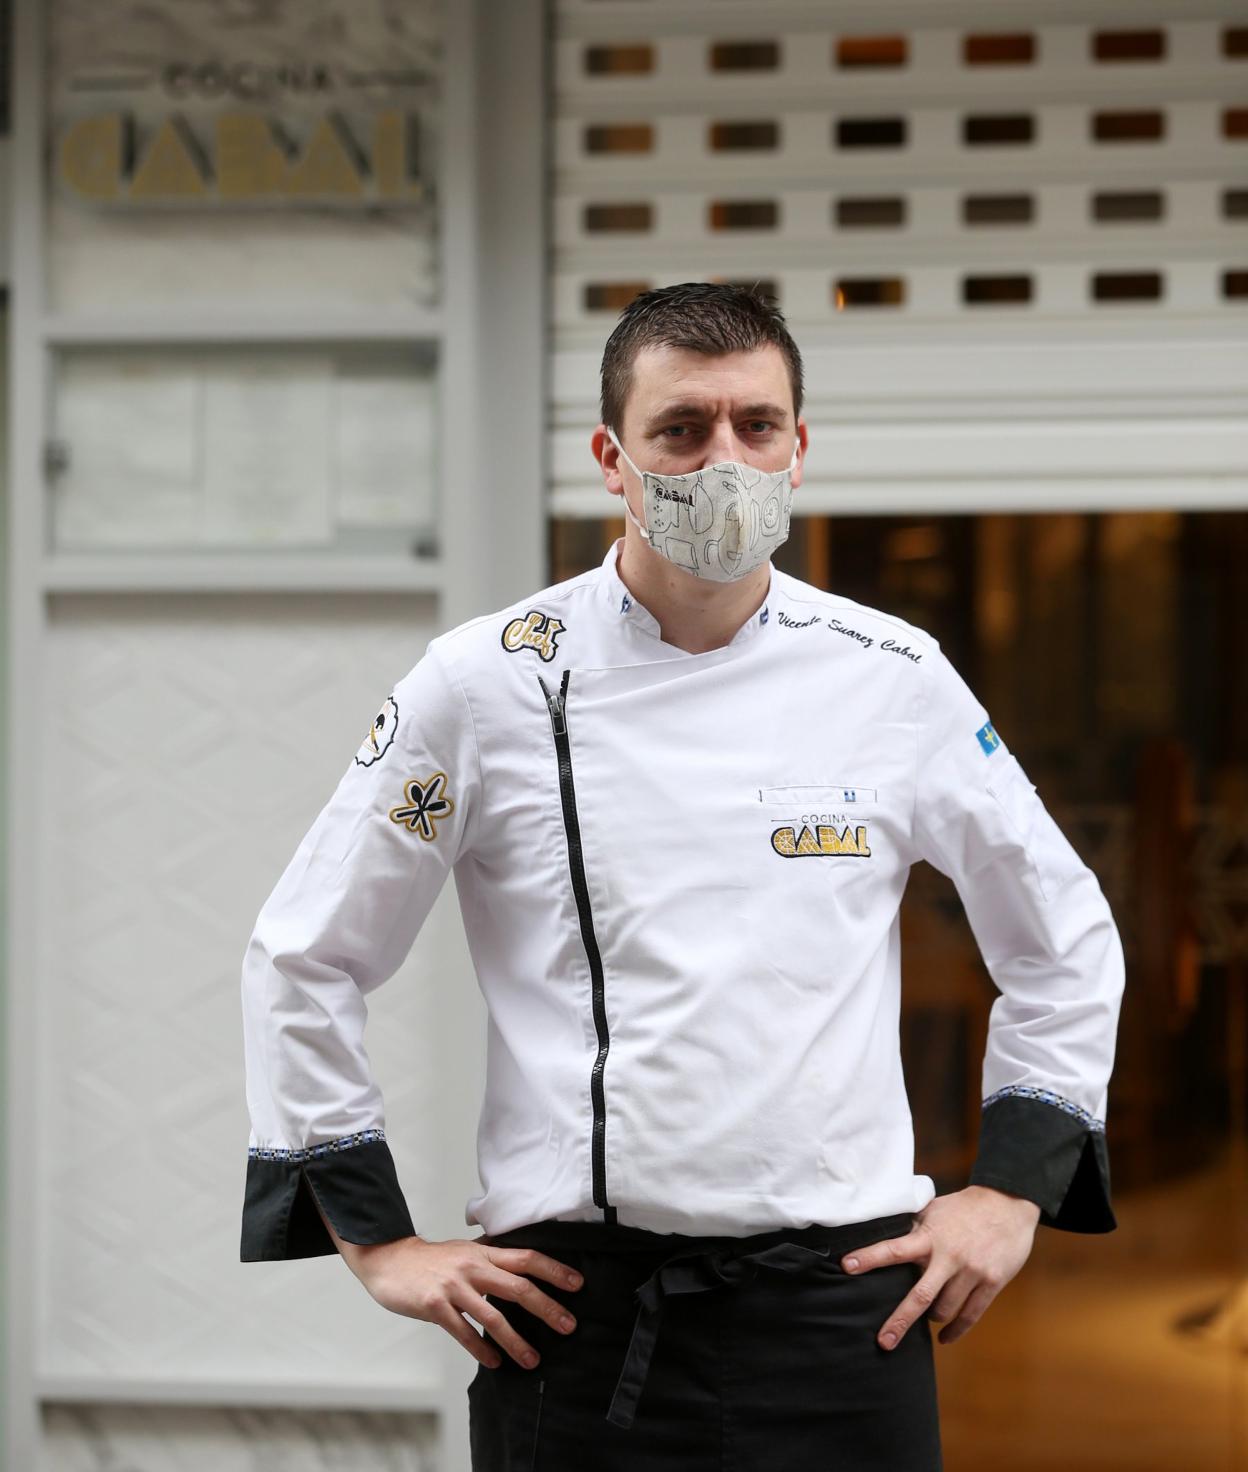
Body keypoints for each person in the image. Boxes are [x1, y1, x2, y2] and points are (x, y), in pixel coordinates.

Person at [240, 282, 1125, 1470]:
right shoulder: (485, 682)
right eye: (682, 429)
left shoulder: (893, 675)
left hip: (843, 1308)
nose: (726, 457)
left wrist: (1011, 1190)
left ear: (800, 448)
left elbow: (1062, 933)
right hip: (576, 1316)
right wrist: (379, 1241)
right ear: (613, 457)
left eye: (756, 425)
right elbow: (307, 951)